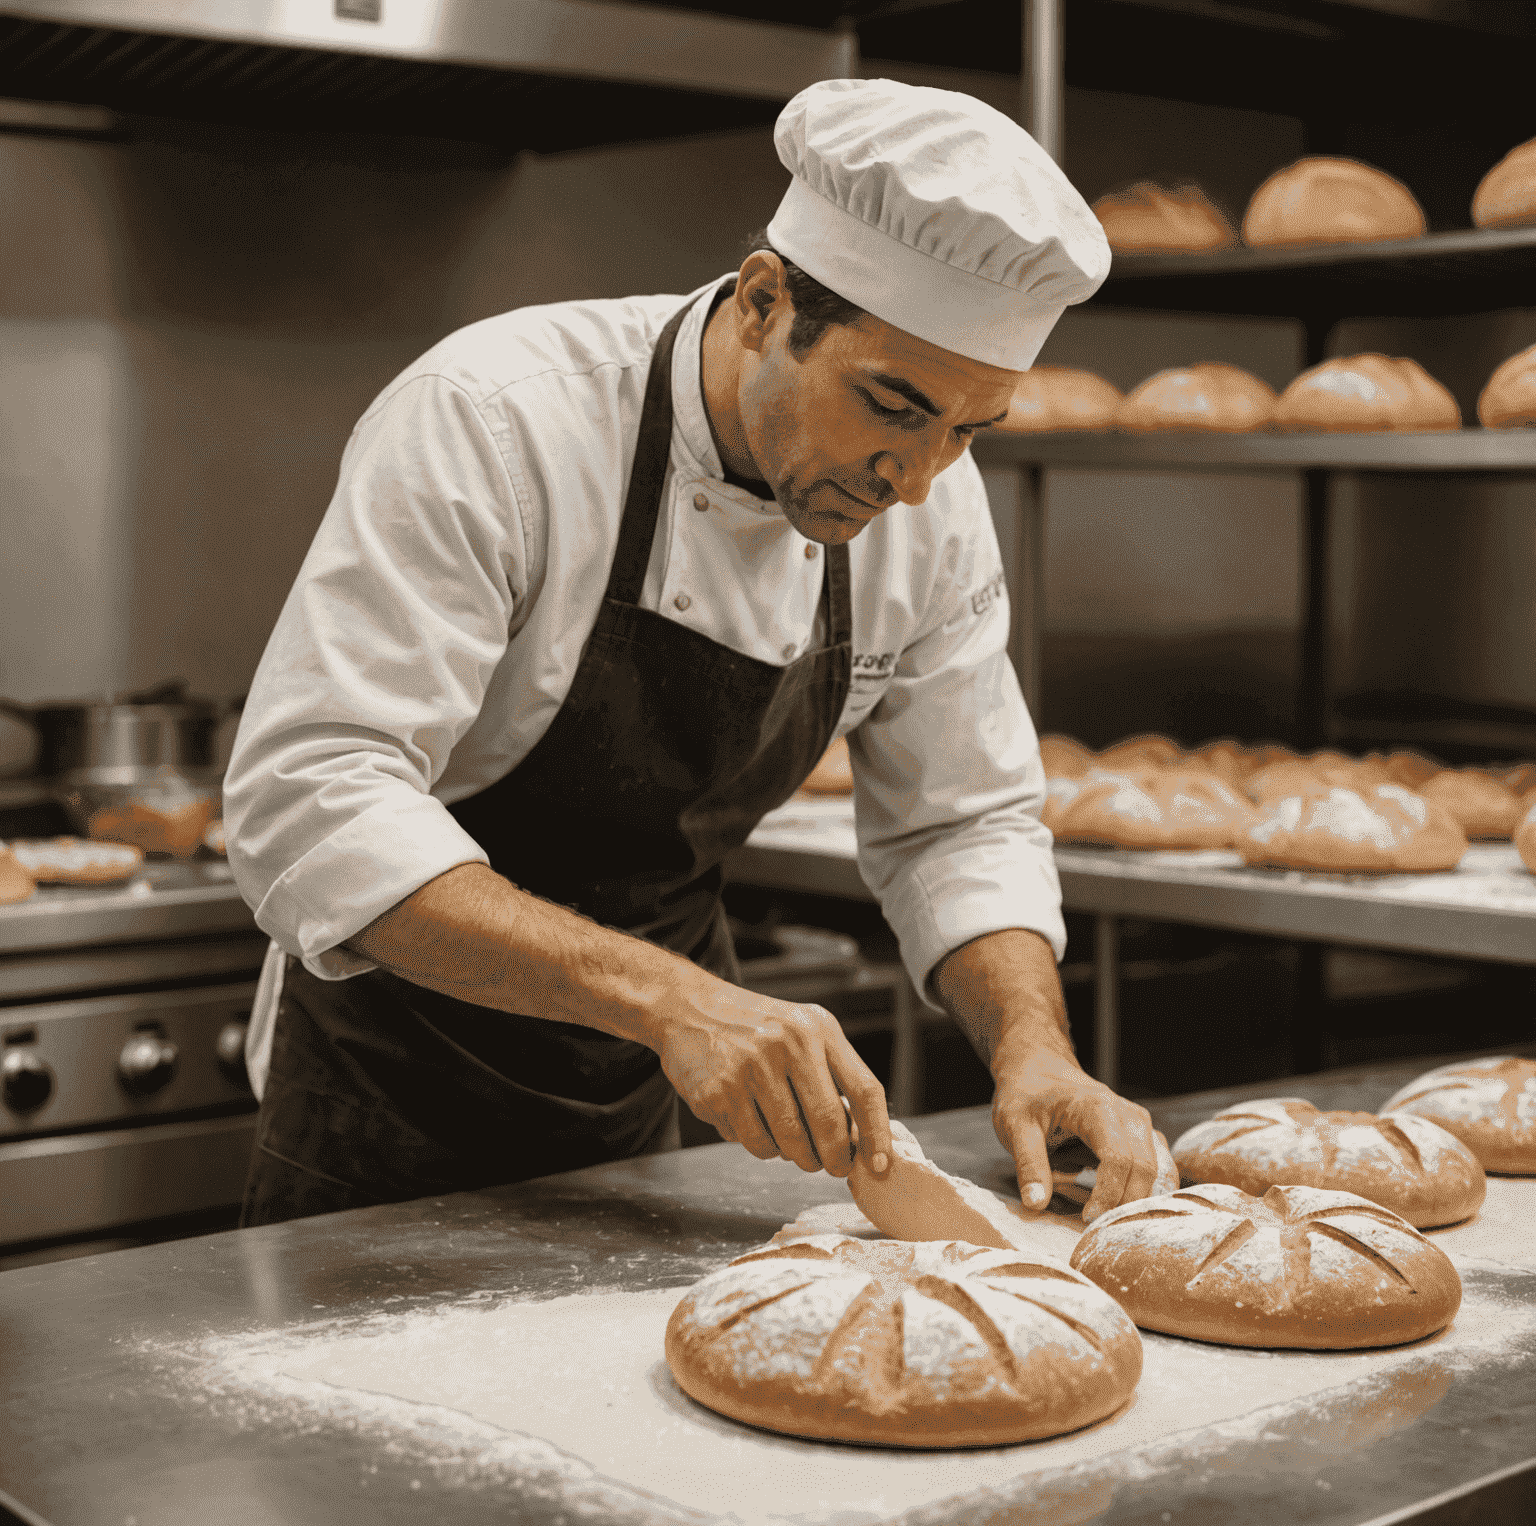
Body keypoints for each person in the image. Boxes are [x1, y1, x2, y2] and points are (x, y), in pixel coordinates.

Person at [225, 76, 1176, 1230]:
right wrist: (673, 1000)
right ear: (767, 301)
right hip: (386, 1102)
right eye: (891, 405)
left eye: (969, 429)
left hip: (645, 1112)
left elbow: (958, 820)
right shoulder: (498, 419)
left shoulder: (930, 498)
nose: (918, 478)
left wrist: (1035, 1049)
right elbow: (312, 802)